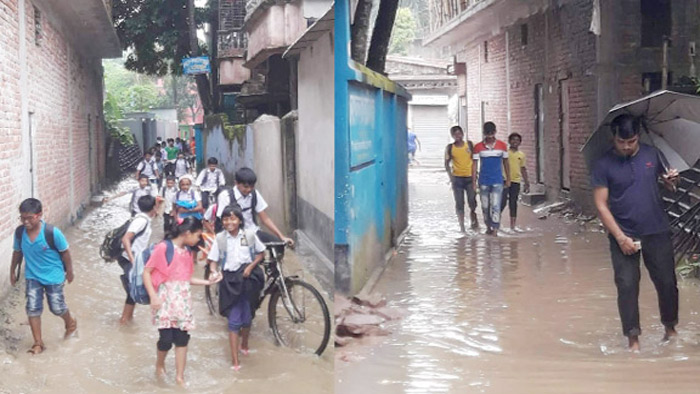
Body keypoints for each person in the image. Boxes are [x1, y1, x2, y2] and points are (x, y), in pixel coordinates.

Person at [592, 114, 679, 351]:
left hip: (657, 229)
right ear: (614, 138)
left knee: (667, 282)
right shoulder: (603, 164)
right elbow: (601, 204)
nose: (627, 146)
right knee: (627, 284)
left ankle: (670, 329)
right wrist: (620, 237)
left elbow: (666, 186)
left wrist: (671, 181)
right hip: (624, 233)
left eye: (631, 141)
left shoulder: (653, 154)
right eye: (622, 142)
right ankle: (633, 340)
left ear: (638, 136)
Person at [142, 217, 220, 386]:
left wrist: (208, 282)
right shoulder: (163, 248)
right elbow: (146, 272)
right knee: (166, 339)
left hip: (182, 301)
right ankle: (160, 364)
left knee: (182, 338)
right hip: (164, 300)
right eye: (198, 235)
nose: (198, 239)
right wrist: (153, 297)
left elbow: (186, 279)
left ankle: (179, 377)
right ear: (187, 233)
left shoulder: (187, 253)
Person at [9, 198, 77, 355]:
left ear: (39, 215)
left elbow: (65, 252)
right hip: (32, 276)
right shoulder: (20, 233)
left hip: (54, 276)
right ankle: (38, 343)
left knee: (57, 308)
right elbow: (17, 252)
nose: (25, 222)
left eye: (29, 218)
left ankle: (71, 323)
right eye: (22, 218)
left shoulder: (52, 233)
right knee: (32, 308)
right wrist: (12, 271)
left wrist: (70, 272)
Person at [207, 206, 265, 371]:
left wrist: (250, 266)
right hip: (229, 281)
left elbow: (261, 253)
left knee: (247, 317)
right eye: (225, 219)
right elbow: (213, 260)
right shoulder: (220, 239)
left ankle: (244, 344)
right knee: (233, 321)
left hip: (248, 279)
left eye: (232, 219)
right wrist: (213, 271)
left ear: (239, 220)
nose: (229, 222)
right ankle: (235, 361)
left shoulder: (248, 235)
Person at [216, 167, 294, 246]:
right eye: (245, 187)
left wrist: (282, 236)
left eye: (252, 186)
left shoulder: (254, 194)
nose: (249, 189)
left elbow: (265, 219)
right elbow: (223, 221)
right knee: (248, 250)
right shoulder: (225, 196)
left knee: (277, 244)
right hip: (234, 234)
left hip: (253, 231)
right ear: (236, 183)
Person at [118, 195, 157, 325]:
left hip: (131, 258)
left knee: (133, 288)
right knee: (133, 290)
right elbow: (125, 239)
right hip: (129, 259)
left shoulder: (143, 218)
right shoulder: (141, 221)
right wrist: (133, 260)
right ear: (153, 207)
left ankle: (127, 318)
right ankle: (124, 320)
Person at [473, 122, 510, 236]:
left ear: (495, 132)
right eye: (487, 133)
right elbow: (474, 165)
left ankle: (495, 229)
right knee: (485, 206)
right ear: (484, 133)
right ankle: (488, 226)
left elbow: (506, 163)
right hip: (483, 181)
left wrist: (508, 178)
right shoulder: (478, 147)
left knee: (495, 205)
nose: (489, 136)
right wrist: (474, 181)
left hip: (497, 181)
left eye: (491, 133)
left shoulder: (502, 146)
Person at [445, 125, 478, 232]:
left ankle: (473, 214)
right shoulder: (450, 148)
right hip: (457, 179)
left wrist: (475, 177)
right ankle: (462, 226)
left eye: (459, 133)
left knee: (472, 200)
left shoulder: (470, 145)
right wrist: (451, 177)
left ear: (462, 134)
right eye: (455, 134)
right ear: (452, 136)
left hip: (470, 178)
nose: (457, 136)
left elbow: (475, 160)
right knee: (459, 203)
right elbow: (446, 163)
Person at [500, 132, 530, 231]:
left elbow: (523, 169)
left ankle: (513, 226)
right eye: (513, 140)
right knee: (502, 202)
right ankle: (496, 223)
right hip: (504, 180)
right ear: (509, 141)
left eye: (517, 140)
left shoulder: (521, 155)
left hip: (516, 181)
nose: (515, 142)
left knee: (513, 203)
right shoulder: (505, 153)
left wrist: (526, 183)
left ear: (520, 142)